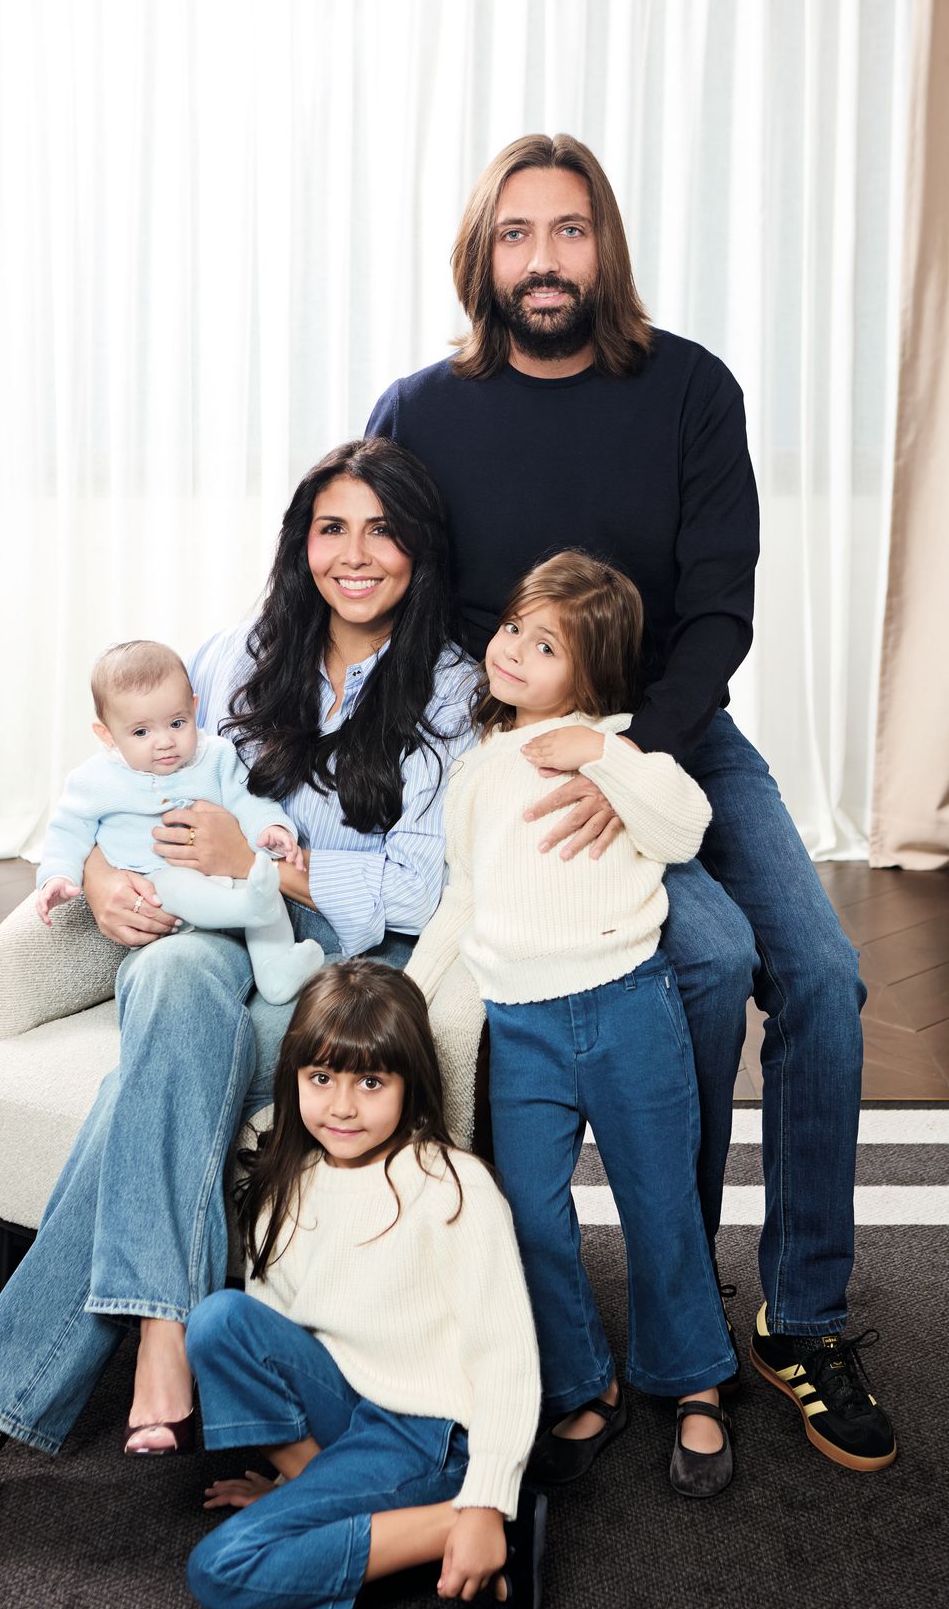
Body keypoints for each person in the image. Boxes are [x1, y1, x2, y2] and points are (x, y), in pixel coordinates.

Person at [368, 132, 896, 1474]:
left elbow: (721, 608)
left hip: (678, 737)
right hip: (523, 764)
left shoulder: (691, 388)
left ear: (605, 245)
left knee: (821, 976)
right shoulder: (420, 411)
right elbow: (385, 599)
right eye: (517, 234)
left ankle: (802, 1314)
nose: (544, 259)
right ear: (482, 255)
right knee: (706, 961)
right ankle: (678, 1293)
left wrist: (628, 756)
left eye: (570, 230)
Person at [0, 437, 475, 1503]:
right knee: (166, 981)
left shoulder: (450, 690)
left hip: (332, 965)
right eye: (331, 528)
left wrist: (262, 864)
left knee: (144, 1090)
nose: (354, 555)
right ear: (301, 542)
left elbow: (412, 892)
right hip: (204, 935)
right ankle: (165, 1329)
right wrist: (102, 874)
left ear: (420, 549)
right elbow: (120, 776)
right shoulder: (240, 653)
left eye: (382, 531)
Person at [407, 552, 737, 1498]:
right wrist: (413, 1000)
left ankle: (695, 1381)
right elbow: (463, 897)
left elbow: (684, 827)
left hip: (628, 1007)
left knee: (660, 1206)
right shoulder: (478, 770)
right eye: (514, 627)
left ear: (591, 676)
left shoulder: (622, 747)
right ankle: (585, 1381)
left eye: (545, 645)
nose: (512, 649)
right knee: (531, 1216)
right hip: (521, 1027)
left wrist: (600, 754)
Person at [185, 959, 545, 1609]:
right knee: (219, 1321)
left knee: (221, 1570)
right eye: (321, 1078)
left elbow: (506, 1357)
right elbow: (276, 1337)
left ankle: (470, 1520)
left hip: (427, 1432)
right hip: (347, 1406)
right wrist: (298, 1493)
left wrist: (485, 1499)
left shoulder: (453, 1187)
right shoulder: (286, 1185)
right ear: (294, 1078)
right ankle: (321, 1499)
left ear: (410, 1085)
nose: (342, 1106)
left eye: (371, 1082)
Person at [35, 638, 324, 1007]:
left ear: (194, 708)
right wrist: (58, 876)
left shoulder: (216, 757)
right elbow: (67, 832)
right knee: (180, 884)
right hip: (159, 887)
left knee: (264, 884)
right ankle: (248, 909)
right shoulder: (94, 781)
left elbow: (248, 799)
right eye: (141, 732)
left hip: (231, 879)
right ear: (107, 735)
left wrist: (271, 828)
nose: (165, 742)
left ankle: (276, 972)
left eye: (176, 723)